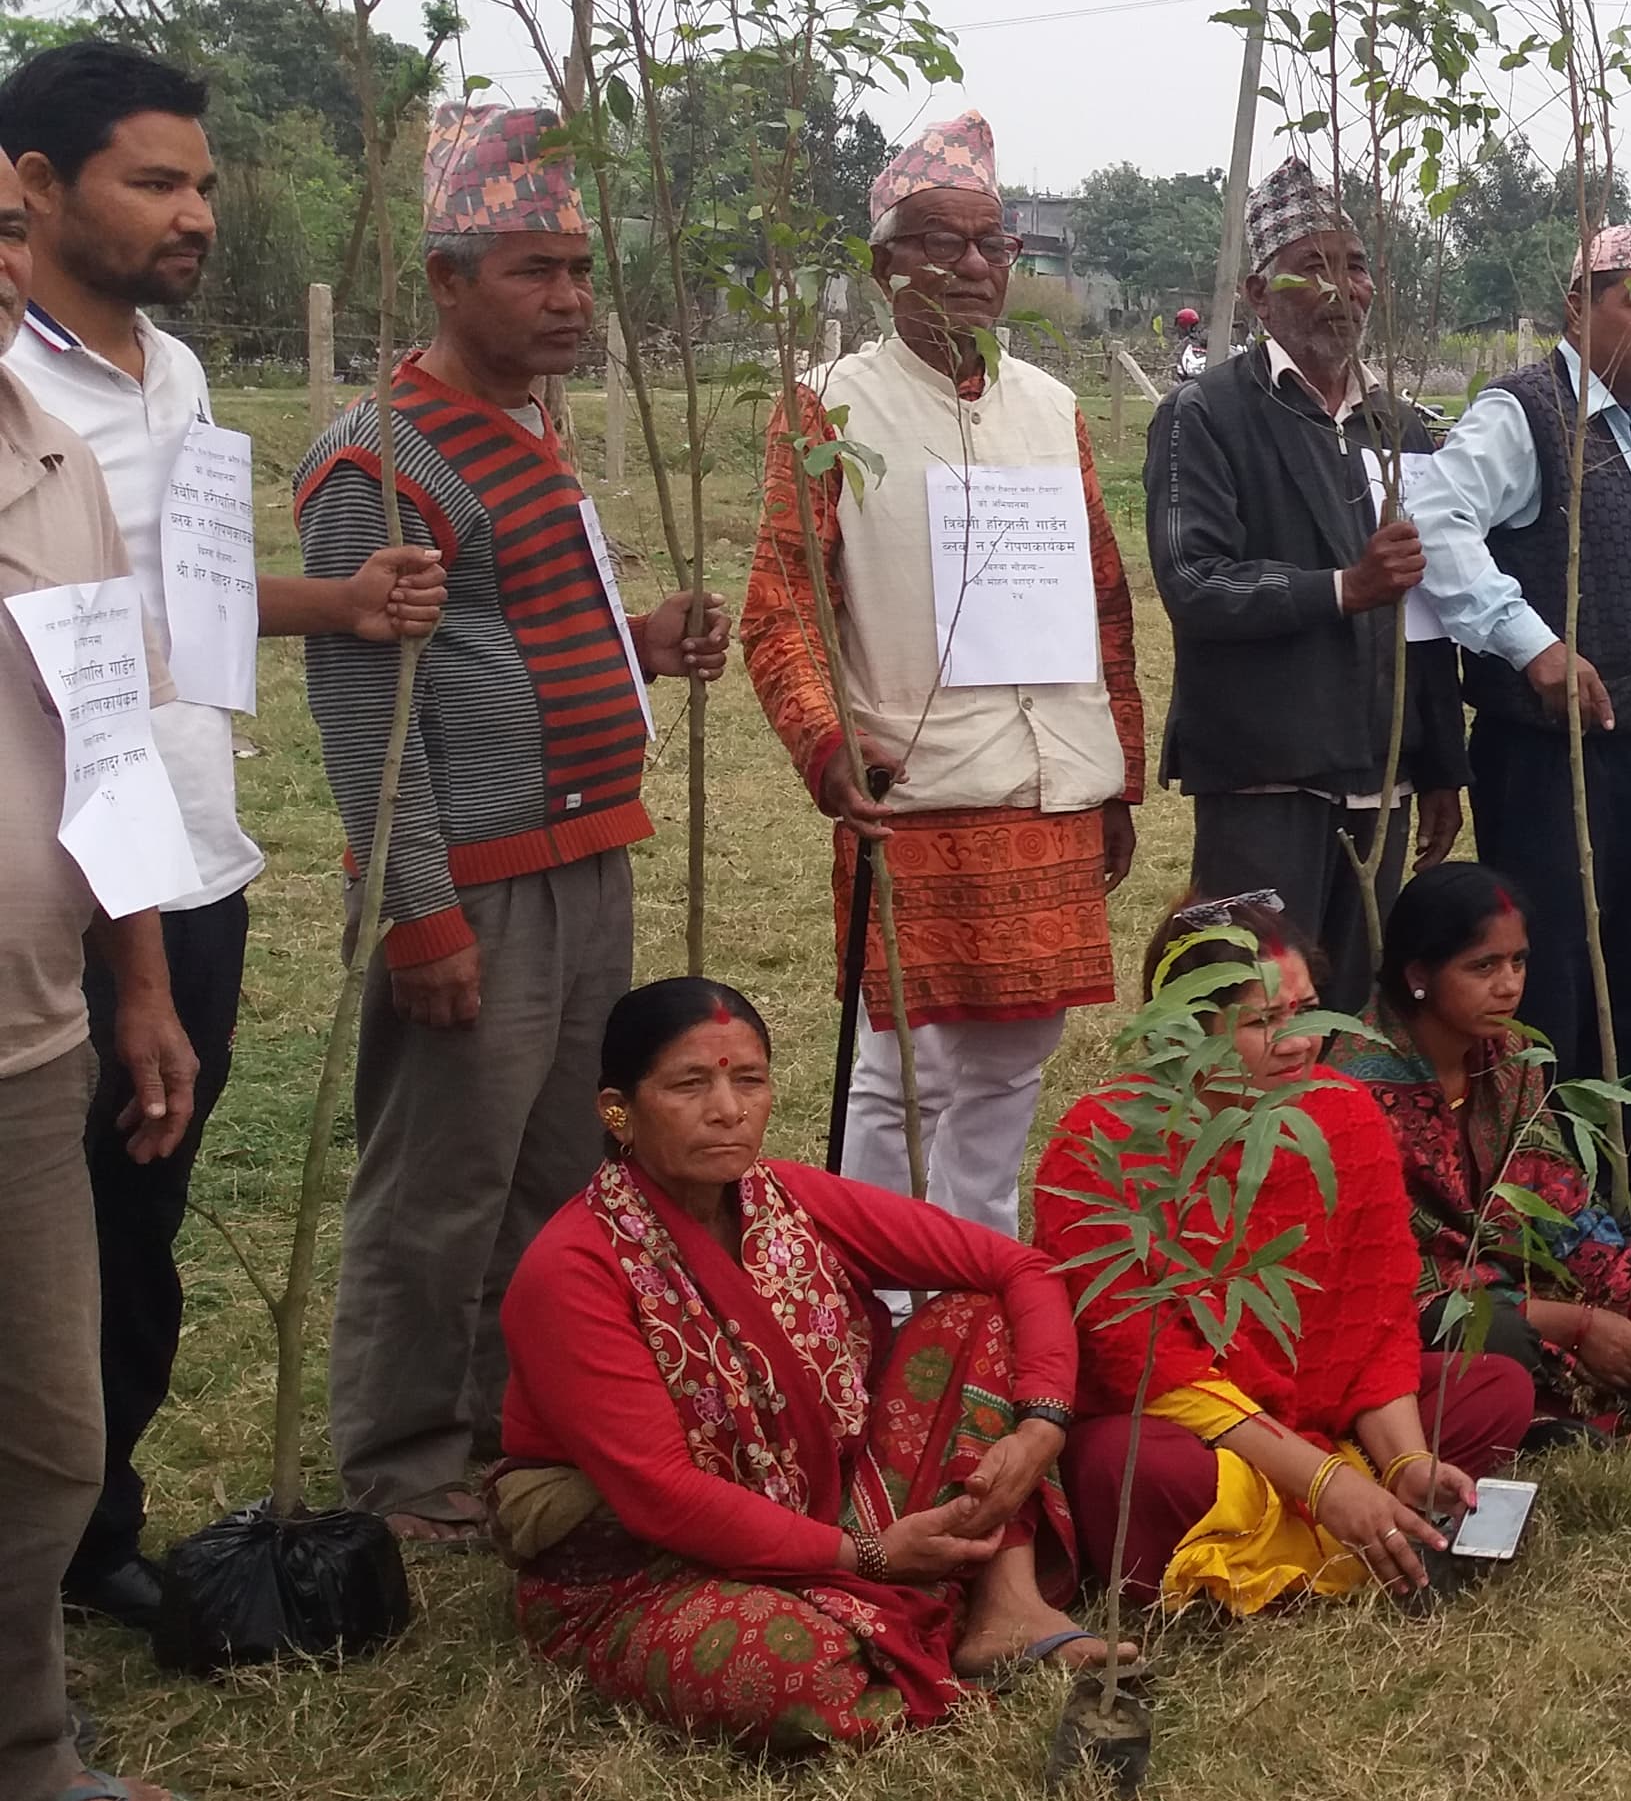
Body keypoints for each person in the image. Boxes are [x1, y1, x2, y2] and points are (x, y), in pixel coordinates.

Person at [0, 41, 444, 1633]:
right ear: (33, 188)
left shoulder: (172, 374)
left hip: (189, 852)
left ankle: (89, 1524)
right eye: (155, 181)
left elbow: (172, 610)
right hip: (51, 878)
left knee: (139, 1213)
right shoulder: (13, 387)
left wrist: (329, 602)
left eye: (199, 182)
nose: (196, 213)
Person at [303, 102, 728, 1545]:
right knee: (440, 1180)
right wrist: (417, 911)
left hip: (586, 857)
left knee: (558, 1166)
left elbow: (523, 633)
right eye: (532, 271)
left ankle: (515, 1423)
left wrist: (647, 640)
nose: (568, 300)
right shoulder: (383, 460)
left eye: (580, 270)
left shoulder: (527, 435)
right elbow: (370, 713)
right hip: (476, 883)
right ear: (442, 280)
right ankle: (405, 1461)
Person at [490, 980, 1116, 1756]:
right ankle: (902, 1599)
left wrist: (1043, 1424)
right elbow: (664, 1498)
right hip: (650, 1571)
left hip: (829, 1504)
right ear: (618, 1109)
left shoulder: (789, 1198)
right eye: (691, 1084)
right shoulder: (572, 1269)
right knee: (798, 1672)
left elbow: (1021, 1268)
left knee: (977, 1316)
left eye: (748, 1079)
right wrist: (872, 1555)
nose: (728, 1108)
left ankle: (1004, 1605)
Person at [742, 111, 1142, 1244]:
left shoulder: (1051, 411)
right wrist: (828, 748)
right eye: (940, 243)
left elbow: (1105, 605)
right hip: (914, 789)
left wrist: (1117, 780)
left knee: (1013, 1065)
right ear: (883, 265)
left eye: (993, 244)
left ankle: (977, 1287)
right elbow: (783, 604)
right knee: (901, 1071)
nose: (973, 266)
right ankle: (882, 1294)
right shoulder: (827, 407)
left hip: (1050, 789)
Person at [1032, 893, 1530, 1613]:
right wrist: (1323, 1483)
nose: (1299, 1041)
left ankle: (1380, 1513)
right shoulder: (1101, 1144)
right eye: (1264, 1022)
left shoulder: (1346, 1112)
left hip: (1325, 1414)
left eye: (1307, 1011)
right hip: (1197, 1429)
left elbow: (1379, 1319)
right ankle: (1320, 1539)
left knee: (1498, 1391)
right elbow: (1140, 1362)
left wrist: (1404, 1461)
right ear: (1184, 1035)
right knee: (1127, 1466)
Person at [0, 190, 200, 1801]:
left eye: (8, 224)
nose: (4, 259)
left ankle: (26, 1757)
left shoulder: (50, 465)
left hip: (27, 1032)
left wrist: (141, 980)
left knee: (53, 1434)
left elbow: (107, 733)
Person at [1143, 158, 1463, 1017]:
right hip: (1265, 776)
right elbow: (1194, 581)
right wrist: (1339, 589)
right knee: (1250, 1005)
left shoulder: (1399, 428)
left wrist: (1438, 767)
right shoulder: (1204, 415)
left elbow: (1428, 604)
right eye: (1311, 266)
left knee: (1353, 1010)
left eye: (1354, 266)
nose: (1341, 288)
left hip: (1381, 776)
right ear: (1257, 292)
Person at [1412, 218, 1631, 1093]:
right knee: (1556, 976)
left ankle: (1628, 1176)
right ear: (1578, 307)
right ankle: (1547, 1174)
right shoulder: (1526, 412)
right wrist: (1530, 643)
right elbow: (1435, 518)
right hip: (1552, 757)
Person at [1331, 864, 1631, 1430]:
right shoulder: (1356, 1086)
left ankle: (1608, 1371)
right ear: (1418, 973)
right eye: (1484, 966)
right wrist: (1578, 1325)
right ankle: (1558, 1395)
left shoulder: (1512, 1056)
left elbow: (1561, 1199)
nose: (1510, 984)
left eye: (1518, 961)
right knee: (1488, 1333)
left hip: (1520, 1272)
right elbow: (1388, 1278)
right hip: (1424, 1304)